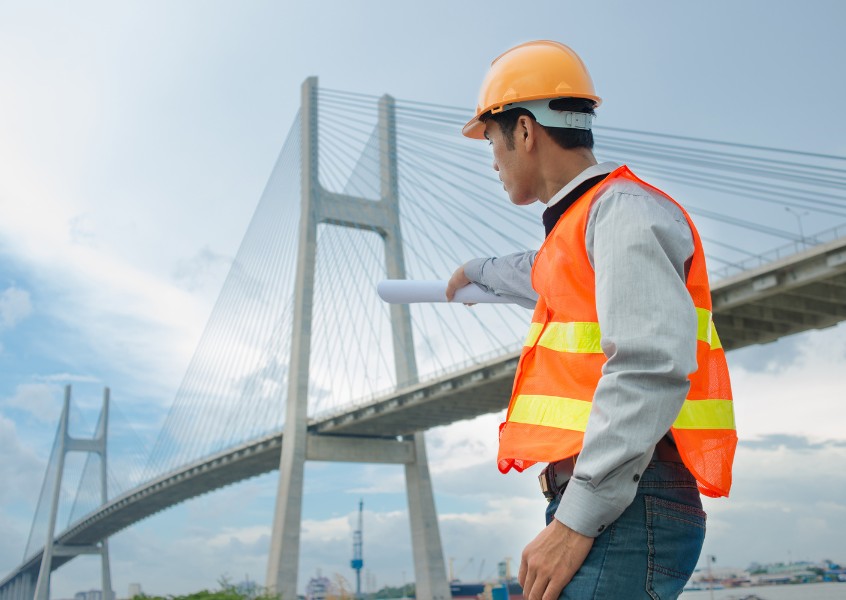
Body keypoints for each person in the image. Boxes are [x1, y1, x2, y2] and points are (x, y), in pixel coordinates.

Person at [445, 41, 737, 599]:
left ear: (525, 131)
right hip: (620, 498)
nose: (492, 161)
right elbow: (538, 270)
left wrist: (575, 520)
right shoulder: (585, 226)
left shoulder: (622, 211)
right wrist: (475, 271)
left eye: (491, 140)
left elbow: (648, 367)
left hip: (626, 502)